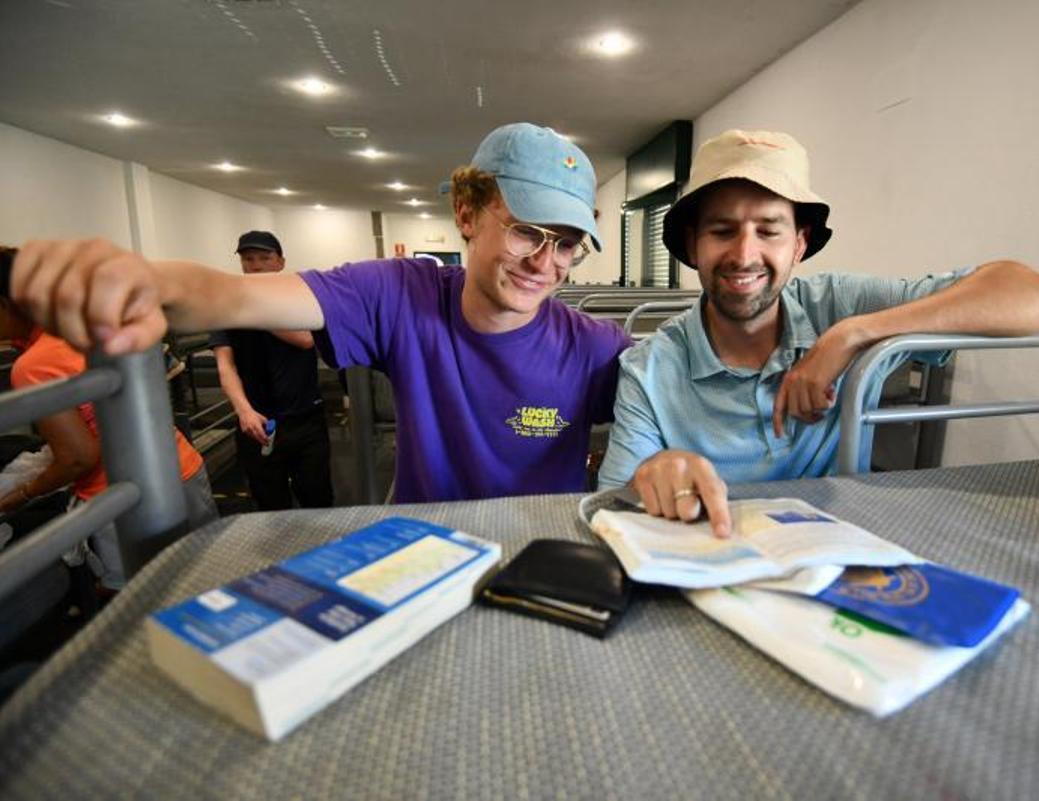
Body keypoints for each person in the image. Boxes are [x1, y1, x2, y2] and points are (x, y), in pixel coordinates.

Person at [6, 123, 631, 503]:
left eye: (567, 243)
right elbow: (232, 295)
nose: (545, 262)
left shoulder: (595, 347)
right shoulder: (400, 295)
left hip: (539, 554)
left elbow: (691, 404)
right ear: (467, 215)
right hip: (427, 552)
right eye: (526, 230)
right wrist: (135, 279)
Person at [597, 130, 1039, 536]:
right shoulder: (649, 368)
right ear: (692, 245)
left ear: (800, 244)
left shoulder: (840, 306)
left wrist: (851, 335)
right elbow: (611, 508)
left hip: (846, 551)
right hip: (711, 554)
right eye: (722, 230)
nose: (744, 255)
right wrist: (651, 475)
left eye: (769, 231)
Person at [0, 247, 218, 588]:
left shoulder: (33, 365)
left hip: (123, 499)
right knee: (207, 581)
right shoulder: (89, 327)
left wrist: (25, 492)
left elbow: (78, 458)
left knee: (144, 603)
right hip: (180, 467)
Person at [209, 231, 333, 511]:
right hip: (257, 423)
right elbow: (225, 366)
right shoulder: (226, 307)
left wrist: (253, 310)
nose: (256, 266)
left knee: (318, 499)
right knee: (269, 504)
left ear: (280, 262)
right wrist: (243, 410)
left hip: (305, 418)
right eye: (248, 259)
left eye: (264, 258)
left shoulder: (299, 299)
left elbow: (305, 339)